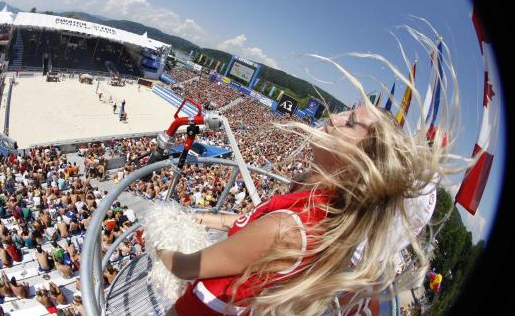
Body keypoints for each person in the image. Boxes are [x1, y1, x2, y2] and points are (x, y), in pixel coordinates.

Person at [156, 37, 460, 316]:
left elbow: (184, 268)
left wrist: (156, 233)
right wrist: (201, 219)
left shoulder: (288, 228)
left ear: (359, 163)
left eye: (351, 121)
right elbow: (245, 229)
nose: (336, 116)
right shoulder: (320, 210)